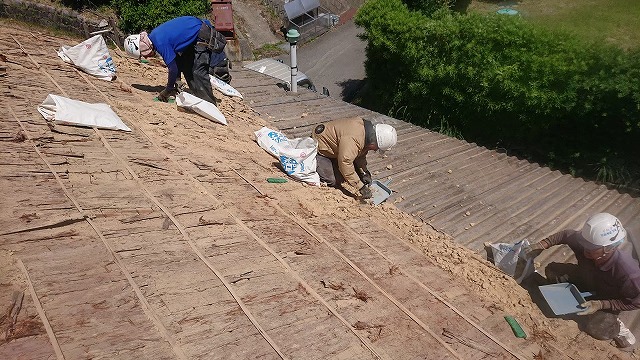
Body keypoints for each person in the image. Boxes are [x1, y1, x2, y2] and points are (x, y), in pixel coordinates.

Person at [524, 213, 639, 349]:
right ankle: (574, 296)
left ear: (609, 248)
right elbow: (566, 235)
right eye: (584, 243)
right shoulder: (587, 242)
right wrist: (542, 245)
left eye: (591, 247)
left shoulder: (628, 273)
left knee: (600, 326)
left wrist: (602, 304)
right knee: (553, 270)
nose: (585, 249)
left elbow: (636, 302)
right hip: (586, 278)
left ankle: (619, 329)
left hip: (606, 297)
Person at [123, 16, 228, 103]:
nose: (146, 57)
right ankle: (198, 96)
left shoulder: (159, 42)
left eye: (143, 55)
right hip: (194, 32)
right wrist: (177, 80)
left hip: (201, 34)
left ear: (143, 48)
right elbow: (176, 58)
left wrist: (168, 90)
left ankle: (209, 103)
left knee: (198, 71)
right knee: (187, 67)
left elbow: (172, 68)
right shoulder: (155, 36)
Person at [311, 116, 397, 199]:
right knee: (332, 180)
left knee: (351, 172)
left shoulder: (366, 132)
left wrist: (364, 172)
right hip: (320, 146)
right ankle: (315, 162)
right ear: (374, 143)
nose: (375, 150)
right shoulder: (353, 140)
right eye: (376, 148)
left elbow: (361, 155)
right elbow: (345, 163)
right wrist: (361, 188)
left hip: (337, 145)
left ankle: (335, 161)